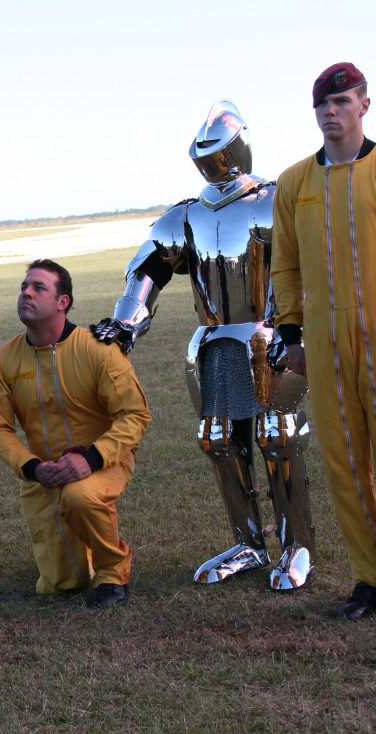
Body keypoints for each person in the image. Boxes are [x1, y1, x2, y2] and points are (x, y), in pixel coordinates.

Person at [92, 100, 316, 591]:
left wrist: (292, 329)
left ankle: (297, 545)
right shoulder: (186, 216)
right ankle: (249, 543)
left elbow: (299, 265)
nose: (211, 162)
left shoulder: (272, 200)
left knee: (276, 437)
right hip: (213, 341)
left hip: (269, 336)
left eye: (217, 152)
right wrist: (126, 324)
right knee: (218, 441)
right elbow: (146, 272)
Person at [271, 63, 376, 619]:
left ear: (364, 104)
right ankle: (368, 579)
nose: (331, 112)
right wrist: (292, 337)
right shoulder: (294, 183)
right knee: (344, 463)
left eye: (342, 101)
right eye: (322, 105)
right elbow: (284, 266)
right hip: (324, 346)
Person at [0, 259, 151, 607]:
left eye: (38, 287)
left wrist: (91, 459)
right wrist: (32, 468)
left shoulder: (98, 349)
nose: (25, 293)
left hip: (105, 461)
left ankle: (111, 571)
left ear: (63, 302)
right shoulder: (3, 360)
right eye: (23, 287)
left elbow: (135, 415)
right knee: (63, 582)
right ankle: (83, 550)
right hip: (44, 475)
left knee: (79, 495)